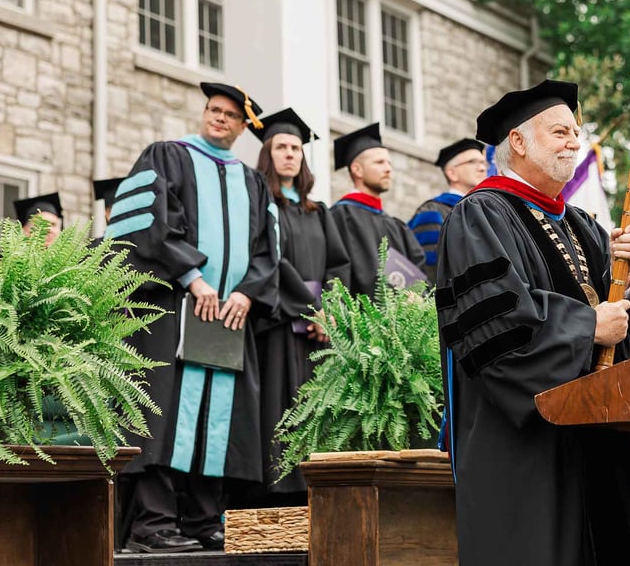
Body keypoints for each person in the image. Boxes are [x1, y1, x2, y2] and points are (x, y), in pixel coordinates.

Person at [435, 79, 630, 566]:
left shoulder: (583, 225)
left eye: (576, 132)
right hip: (525, 446)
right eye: (560, 131)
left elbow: (623, 326)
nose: (574, 141)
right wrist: (587, 328)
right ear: (517, 142)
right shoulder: (479, 215)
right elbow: (497, 331)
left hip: (595, 436)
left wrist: (625, 279)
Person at [105, 82, 278, 554]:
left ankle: (204, 520)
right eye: (212, 110)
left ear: (244, 127)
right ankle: (152, 524)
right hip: (177, 309)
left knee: (219, 419)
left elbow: (268, 251)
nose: (218, 118)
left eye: (228, 115)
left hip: (228, 317)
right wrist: (193, 278)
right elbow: (153, 223)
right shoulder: (169, 157)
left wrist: (246, 294)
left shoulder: (252, 181)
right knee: (164, 414)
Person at [248, 107, 350, 504]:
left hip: (317, 330)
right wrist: (311, 308)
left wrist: (329, 311)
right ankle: (278, 500)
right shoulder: (263, 207)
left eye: (296, 148)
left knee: (318, 409)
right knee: (279, 411)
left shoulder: (318, 211)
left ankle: (315, 492)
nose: (290, 154)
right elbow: (272, 260)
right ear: (268, 155)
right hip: (277, 324)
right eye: (281, 147)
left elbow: (339, 265)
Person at [329, 123, 425, 298]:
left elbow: (418, 277)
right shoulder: (339, 216)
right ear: (357, 169)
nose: (388, 169)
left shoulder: (396, 225)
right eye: (379, 162)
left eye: (389, 163)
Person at [407, 138, 487, 282]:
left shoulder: (488, 211)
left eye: (483, 162)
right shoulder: (432, 211)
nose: (482, 168)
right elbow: (430, 269)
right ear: (452, 173)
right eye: (473, 162)